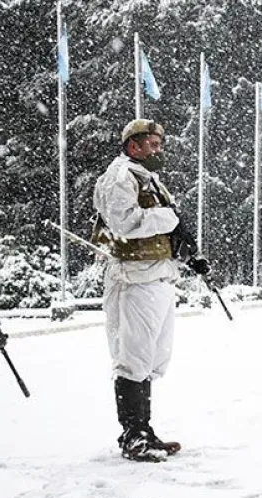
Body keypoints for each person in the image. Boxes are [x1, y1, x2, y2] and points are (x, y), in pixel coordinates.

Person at [92, 119, 210, 462]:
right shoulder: (120, 177)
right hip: (133, 277)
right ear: (133, 146)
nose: (158, 150)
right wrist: (169, 219)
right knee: (133, 357)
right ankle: (133, 435)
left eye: (159, 144)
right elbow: (123, 222)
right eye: (152, 144)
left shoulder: (147, 178)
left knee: (154, 357)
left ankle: (144, 430)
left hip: (157, 274)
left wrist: (188, 254)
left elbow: (164, 226)